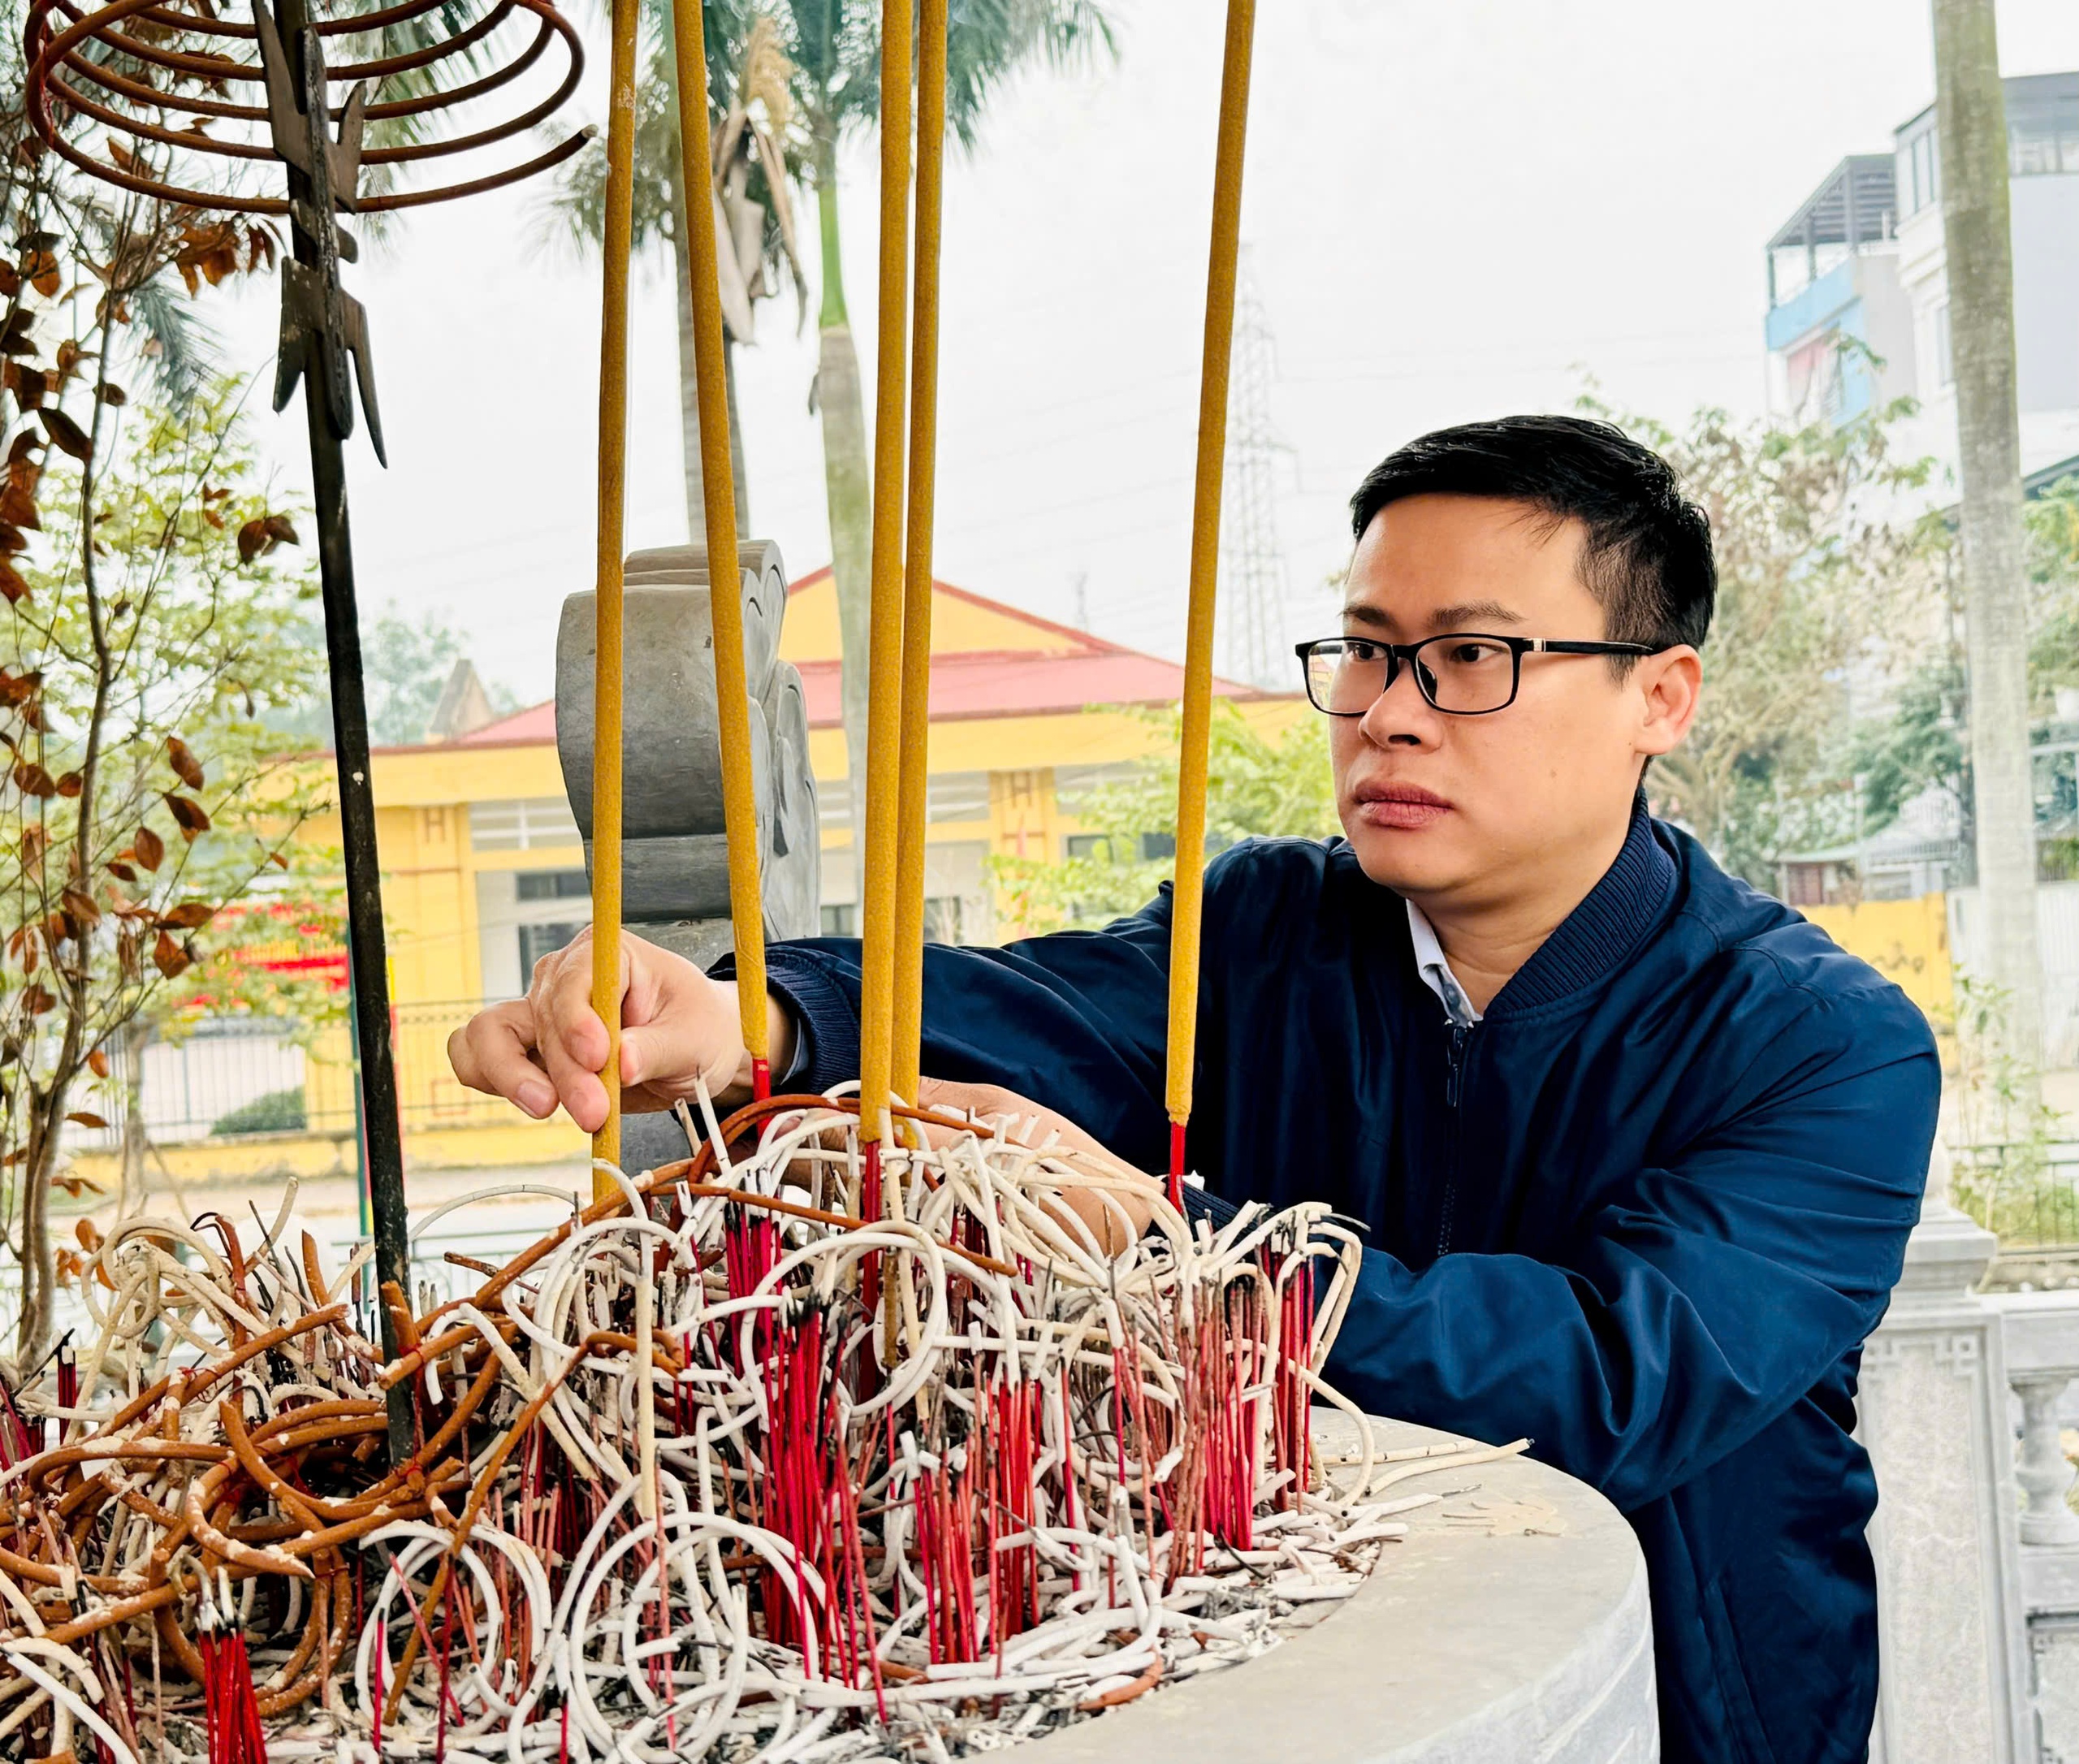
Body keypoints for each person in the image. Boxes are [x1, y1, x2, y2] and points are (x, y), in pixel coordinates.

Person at [452, 414, 1936, 1763]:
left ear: (1660, 696)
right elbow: (1032, 1015)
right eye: (1366, 652)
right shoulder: (1272, 930)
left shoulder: (1824, 1046)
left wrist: (1167, 1244)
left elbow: (1605, 1381)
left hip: (1670, 1716)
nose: (1391, 713)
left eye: (1471, 659)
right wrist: (748, 1020)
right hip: (1323, 1704)